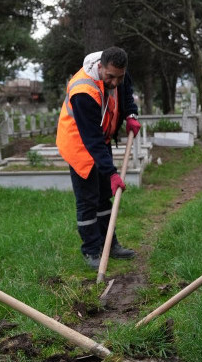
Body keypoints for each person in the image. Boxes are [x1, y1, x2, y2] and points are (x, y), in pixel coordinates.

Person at [56, 46, 142, 270]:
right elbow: (90, 139)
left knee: (104, 197)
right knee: (88, 200)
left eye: (119, 77)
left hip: (100, 139)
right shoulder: (83, 91)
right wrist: (112, 173)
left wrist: (130, 114)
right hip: (79, 142)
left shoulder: (118, 72)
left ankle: (110, 245)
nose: (114, 82)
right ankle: (92, 250)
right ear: (100, 67)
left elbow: (125, 90)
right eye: (110, 77)